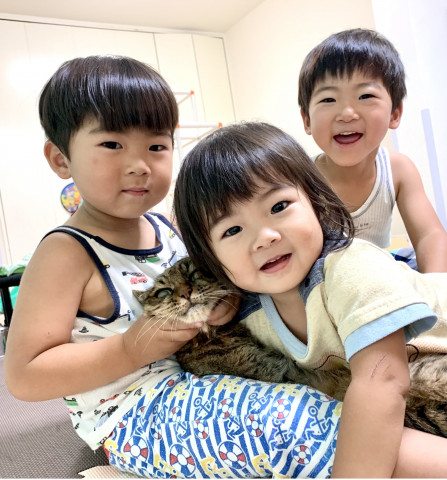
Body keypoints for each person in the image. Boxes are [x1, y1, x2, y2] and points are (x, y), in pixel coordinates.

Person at [3, 55, 348, 479]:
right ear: (60, 159)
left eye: (156, 146)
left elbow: (218, 275)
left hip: (200, 377)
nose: (140, 165)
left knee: (328, 392)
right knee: (293, 421)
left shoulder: (166, 226)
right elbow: (24, 375)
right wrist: (129, 349)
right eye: (112, 145)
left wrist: (224, 301)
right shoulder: (65, 252)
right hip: (134, 417)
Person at [173, 121, 447, 478]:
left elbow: (382, 382)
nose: (265, 236)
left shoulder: (349, 266)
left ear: (316, 202)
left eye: (279, 206)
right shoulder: (250, 309)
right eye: (232, 230)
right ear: (209, 258)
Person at [298, 28, 447, 275]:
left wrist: (435, 287)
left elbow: (430, 235)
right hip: (325, 276)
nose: (347, 113)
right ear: (307, 120)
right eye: (328, 99)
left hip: (378, 267)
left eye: (365, 96)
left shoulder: (398, 169)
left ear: (394, 114)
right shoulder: (300, 178)